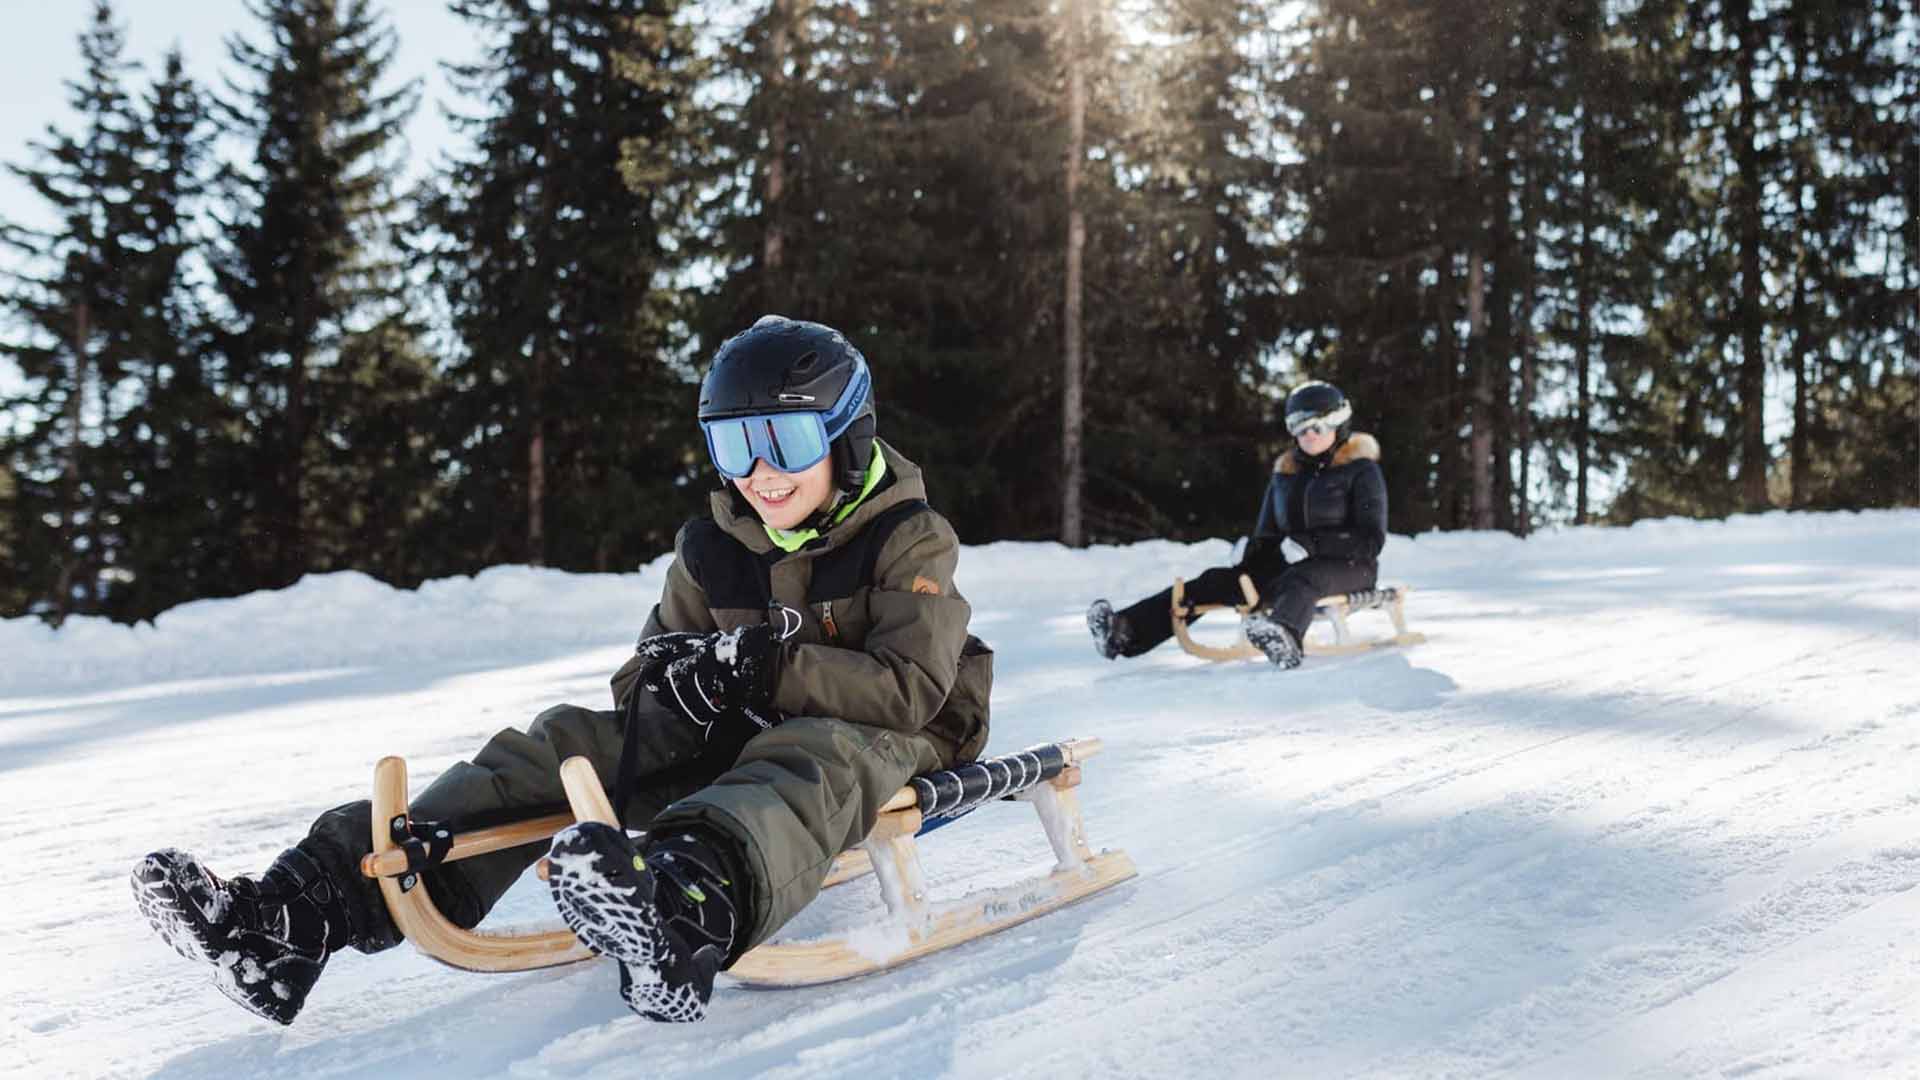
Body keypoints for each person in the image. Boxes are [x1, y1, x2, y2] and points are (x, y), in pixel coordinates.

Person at [131, 316, 993, 1025]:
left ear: (847, 434)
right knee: (566, 742)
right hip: (749, 719)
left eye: (786, 439)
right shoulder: (713, 549)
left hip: (901, 732)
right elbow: (640, 689)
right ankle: (298, 914)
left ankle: (684, 913)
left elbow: (908, 688)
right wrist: (681, 678)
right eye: (735, 445)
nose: (761, 472)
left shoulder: (908, 536)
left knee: (814, 758)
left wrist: (759, 673)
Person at [1085, 380, 1386, 669]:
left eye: (1316, 426)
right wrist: (1251, 550)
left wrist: (1312, 544)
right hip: (1291, 566)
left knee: (1301, 577)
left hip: (1351, 566)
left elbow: (1370, 539)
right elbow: (1269, 534)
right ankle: (1125, 631)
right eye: (1297, 426)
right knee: (1216, 580)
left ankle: (1285, 637)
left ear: (1338, 422)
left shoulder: (1361, 471)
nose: (1307, 435)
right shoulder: (1285, 475)